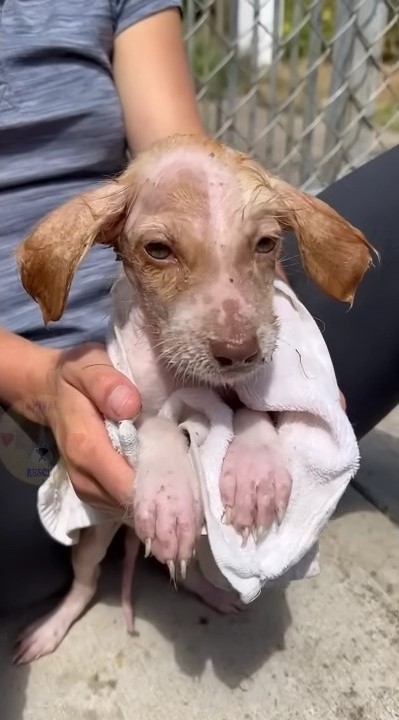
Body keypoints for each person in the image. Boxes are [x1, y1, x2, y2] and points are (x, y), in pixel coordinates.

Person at [1, 1, 399, 616]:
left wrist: (275, 397)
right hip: (24, 364)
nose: (239, 341)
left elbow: (189, 165)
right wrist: (37, 379)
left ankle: (221, 511)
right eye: (161, 251)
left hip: (188, 275)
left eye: (271, 244)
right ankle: (91, 582)